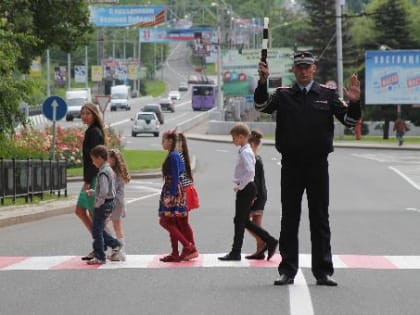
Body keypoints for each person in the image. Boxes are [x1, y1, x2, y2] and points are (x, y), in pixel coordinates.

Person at [254, 51, 361, 286]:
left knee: (320, 218)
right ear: (293, 70)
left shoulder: (328, 95)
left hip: (317, 166)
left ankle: (323, 271)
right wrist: (262, 82)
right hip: (291, 165)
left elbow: (350, 122)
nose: (303, 71)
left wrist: (354, 103)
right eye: (299, 67)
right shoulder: (283, 95)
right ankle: (288, 270)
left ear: (315, 68)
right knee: (289, 219)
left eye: (307, 66)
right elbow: (261, 105)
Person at [218, 123, 278, 262]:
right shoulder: (245, 150)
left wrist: (240, 185)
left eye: (234, 138)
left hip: (247, 188)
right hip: (248, 188)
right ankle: (267, 241)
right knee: (241, 220)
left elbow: (250, 171)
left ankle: (238, 251)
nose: (233, 141)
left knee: (240, 220)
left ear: (241, 137)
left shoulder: (245, 151)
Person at [159, 130, 198, 262]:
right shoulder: (174, 154)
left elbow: (175, 175)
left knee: (165, 221)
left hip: (174, 191)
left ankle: (188, 246)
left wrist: (171, 194)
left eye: (163, 140)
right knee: (172, 222)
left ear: (170, 141)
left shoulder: (174, 156)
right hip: (173, 190)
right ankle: (175, 252)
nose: (162, 143)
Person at [76, 103, 106, 261]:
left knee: (90, 213)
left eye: (88, 113)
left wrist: (88, 181)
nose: (85, 116)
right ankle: (101, 243)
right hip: (91, 177)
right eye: (83, 113)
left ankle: (102, 245)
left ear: (94, 115)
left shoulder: (94, 132)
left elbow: (96, 160)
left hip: (93, 178)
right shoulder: (92, 131)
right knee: (84, 212)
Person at [86, 145, 121, 265]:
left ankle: (100, 256)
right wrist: (94, 192)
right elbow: (108, 189)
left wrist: (98, 203)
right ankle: (115, 244)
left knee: (96, 231)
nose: (93, 162)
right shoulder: (109, 170)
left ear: (100, 158)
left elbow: (104, 191)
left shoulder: (102, 173)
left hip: (103, 204)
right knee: (100, 228)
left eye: (94, 159)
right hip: (110, 202)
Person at [245, 129, 268, 260]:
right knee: (256, 224)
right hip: (260, 194)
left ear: (253, 145)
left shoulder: (254, 160)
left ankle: (264, 241)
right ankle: (260, 250)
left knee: (244, 221)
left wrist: (252, 197)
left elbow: (255, 181)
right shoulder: (256, 159)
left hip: (256, 195)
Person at [107, 149, 130, 261]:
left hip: (113, 203)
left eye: (108, 158)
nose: (106, 159)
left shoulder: (112, 173)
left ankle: (118, 249)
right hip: (119, 203)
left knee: (105, 226)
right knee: (117, 227)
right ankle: (117, 252)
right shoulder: (118, 173)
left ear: (113, 160)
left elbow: (110, 190)